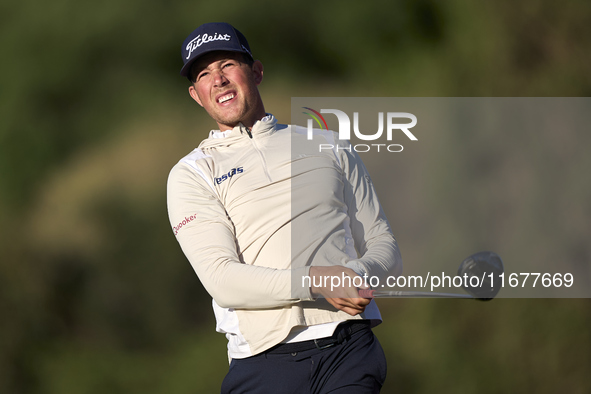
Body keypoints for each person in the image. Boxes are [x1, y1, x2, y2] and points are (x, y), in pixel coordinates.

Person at [167, 22, 402, 393]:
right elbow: (223, 281)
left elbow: (382, 242)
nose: (219, 80)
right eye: (205, 74)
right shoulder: (192, 172)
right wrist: (316, 280)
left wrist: (358, 272)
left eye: (228, 65)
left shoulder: (330, 144)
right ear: (196, 95)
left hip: (348, 347)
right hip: (263, 363)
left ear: (256, 71)